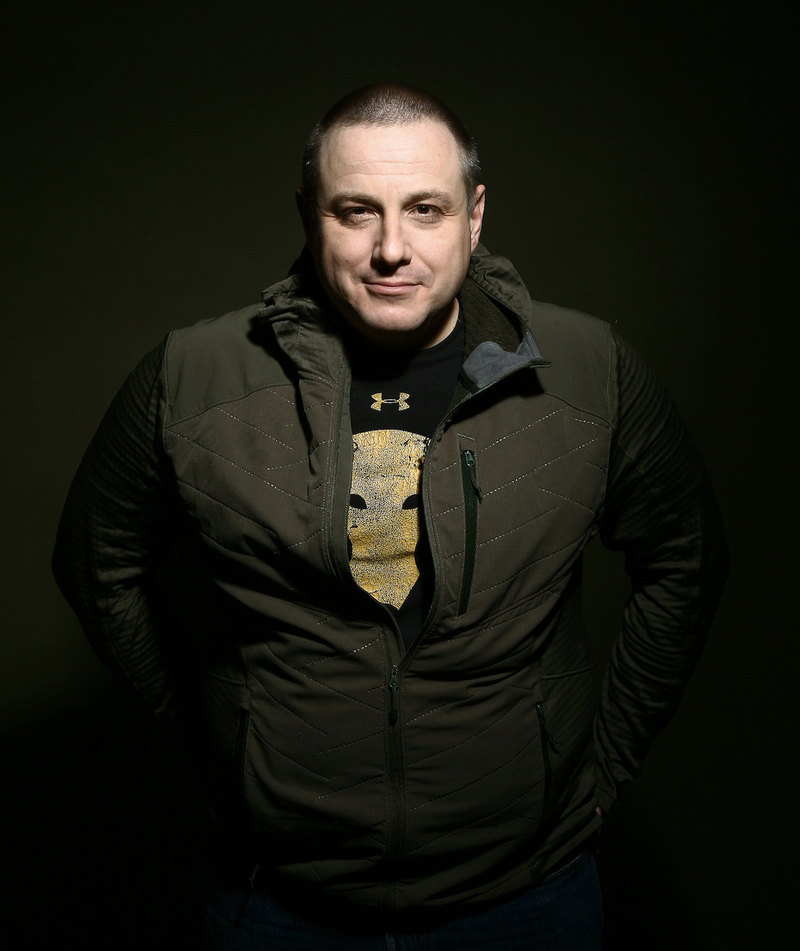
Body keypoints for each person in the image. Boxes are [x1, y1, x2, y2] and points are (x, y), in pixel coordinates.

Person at [53, 82, 728, 949]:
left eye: (426, 209)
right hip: (276, 899)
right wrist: (219, 739)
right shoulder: (193, 375)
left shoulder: (590, 370)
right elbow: (95, 562)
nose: (391, 248)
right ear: (310, 215)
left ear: (474, 216)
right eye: (355, 211)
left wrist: (605, 763)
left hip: (527, 894)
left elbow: (685, 557)